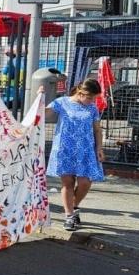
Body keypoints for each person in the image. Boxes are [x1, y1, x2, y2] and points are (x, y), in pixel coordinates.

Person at [44, 79, 105, 231]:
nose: (92, 101)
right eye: (90, 97)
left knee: (85, 183)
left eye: (94, 98)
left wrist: (99, 148)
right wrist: (40, 97)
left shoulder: (92, 108)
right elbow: (43, 113)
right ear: (80, 92)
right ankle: (69, 216)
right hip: (65, 149)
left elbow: (97, 130)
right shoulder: (62, 102)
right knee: (68, 183)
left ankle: (74, 206)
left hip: (85, 150)